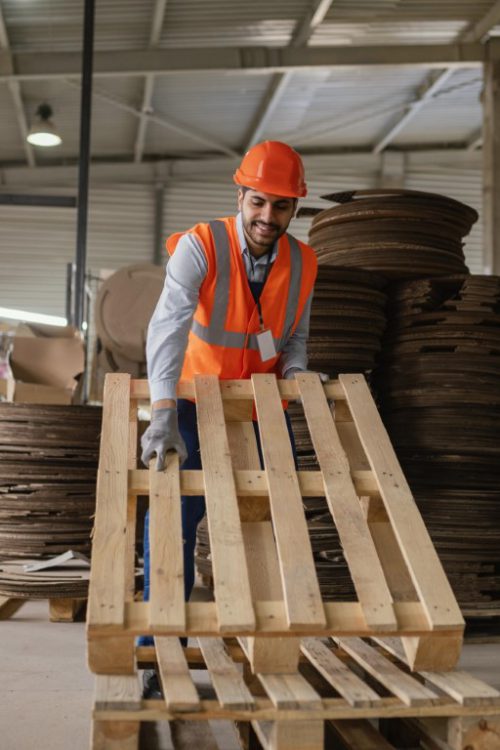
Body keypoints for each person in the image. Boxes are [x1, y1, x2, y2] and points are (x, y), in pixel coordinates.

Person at [139, 140, 325, 695]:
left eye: (283, 206)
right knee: (173, 512)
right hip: (193, 402)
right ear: (240, 194)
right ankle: (158, 649)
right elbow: (167, 326)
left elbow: (296, 336)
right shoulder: (200, 246)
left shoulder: (305, 261)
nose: (269, 217)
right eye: (259, 203)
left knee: (275, 514)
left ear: (296, 208)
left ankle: (268, 646)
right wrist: (163, 410)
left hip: (259, 406)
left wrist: (294, 371)